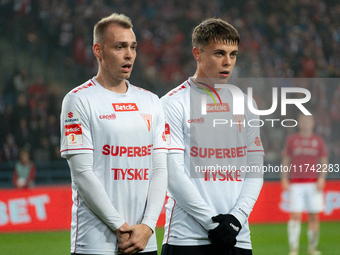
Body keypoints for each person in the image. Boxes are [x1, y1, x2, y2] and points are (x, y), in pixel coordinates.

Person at [60, 13, 167, 255]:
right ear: (98, 50)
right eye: (120, 47)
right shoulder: (78, 100)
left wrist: (148, 227)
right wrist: (119, 226)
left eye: (133, 47)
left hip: (143, 241)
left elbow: (160, 170)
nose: (129, 54)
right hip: (96, 242)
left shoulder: (151, 102)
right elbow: (82, 173)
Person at [160, 18, 264, 255]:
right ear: (197, 53)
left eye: (233, 54)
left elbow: (255, 170)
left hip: (238, 238)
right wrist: (213, 224)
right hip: (187, 238)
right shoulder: (172, 103)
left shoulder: (246, 103)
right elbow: (173, 175)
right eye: (219, 53)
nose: (228, 62)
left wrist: (236, 220)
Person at [281, 114, 328, 255]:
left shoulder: (318, 141)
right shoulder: (292, 140)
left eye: (308, 120)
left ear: (313, 123)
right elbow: (286, 160)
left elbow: (324, 161)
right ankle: (294, 248)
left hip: (313, 184)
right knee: (295, 215)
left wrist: (322, 178)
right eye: (303, 120)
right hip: (296, 184)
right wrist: (284, 178)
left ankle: (312, 248)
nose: (306, 123)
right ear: (299, 123)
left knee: (314, 217)